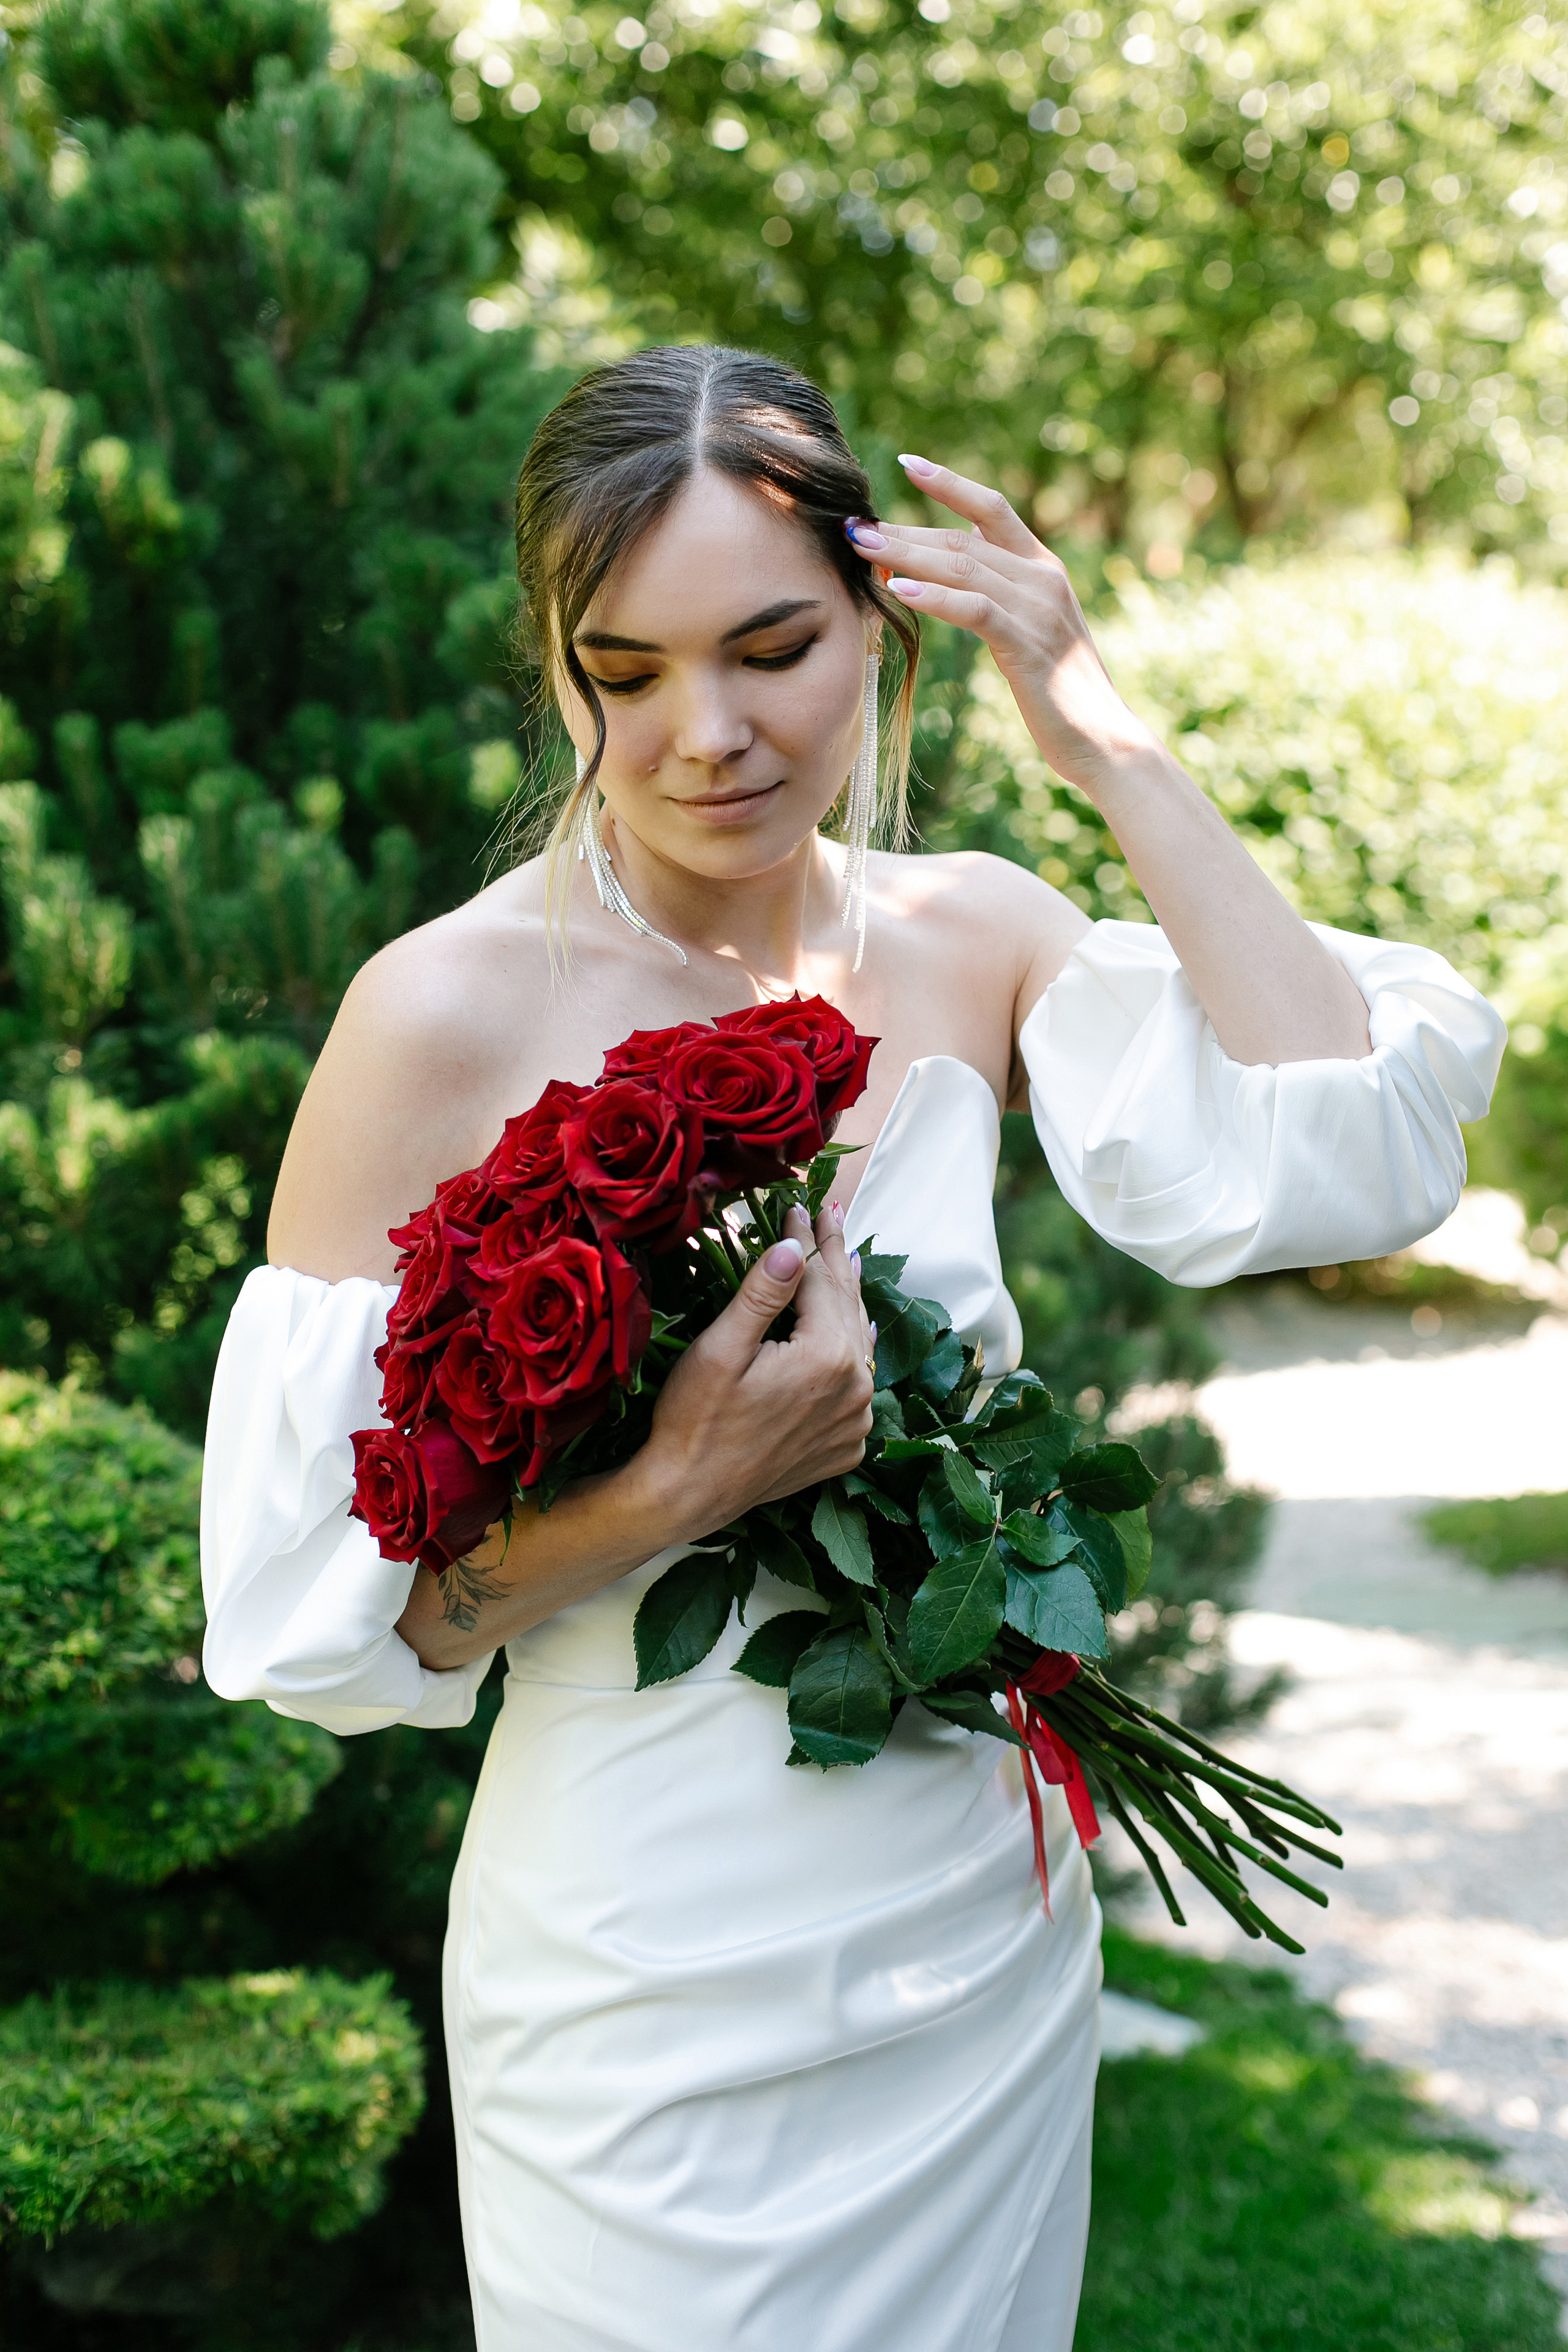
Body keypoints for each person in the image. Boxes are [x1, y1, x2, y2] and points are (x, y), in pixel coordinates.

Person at [201, 345, 1504, 2352]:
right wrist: (681, 1486)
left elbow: (1348, 1145)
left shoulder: (972, 935)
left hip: (967, 1919)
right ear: (558, 670)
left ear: (884, 624)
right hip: (639, 1965)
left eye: (773, 647)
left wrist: (1103, 736)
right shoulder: (437, 1015)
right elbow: (334, 1624)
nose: (706, 734)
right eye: (625, 672)